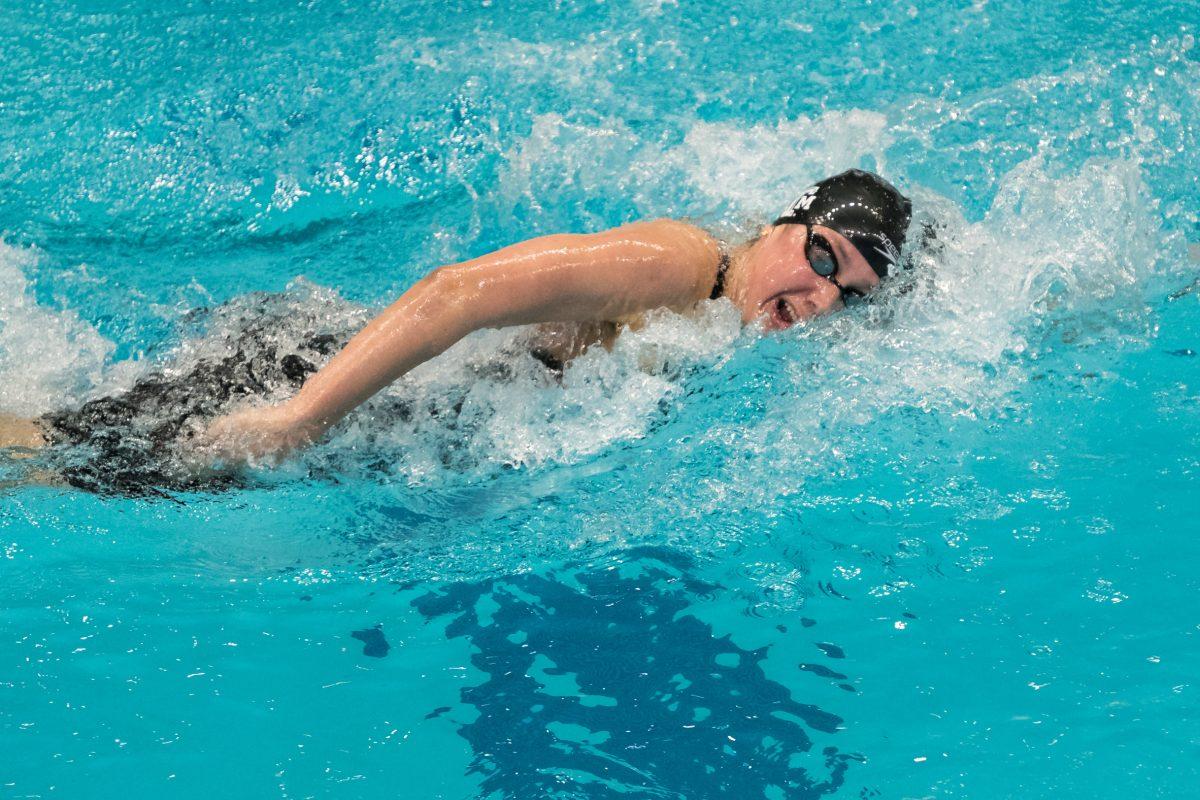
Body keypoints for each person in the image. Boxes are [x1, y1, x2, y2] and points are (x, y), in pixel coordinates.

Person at [0, 169, 911, 494]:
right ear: (786, 224)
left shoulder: (725, 314)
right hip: (318, 379)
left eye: (851, 296)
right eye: (824, 259)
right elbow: (458, 289)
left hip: (380, 406)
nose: (820, 297)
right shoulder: (677, 263)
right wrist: (298, 419)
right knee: (55, 462)